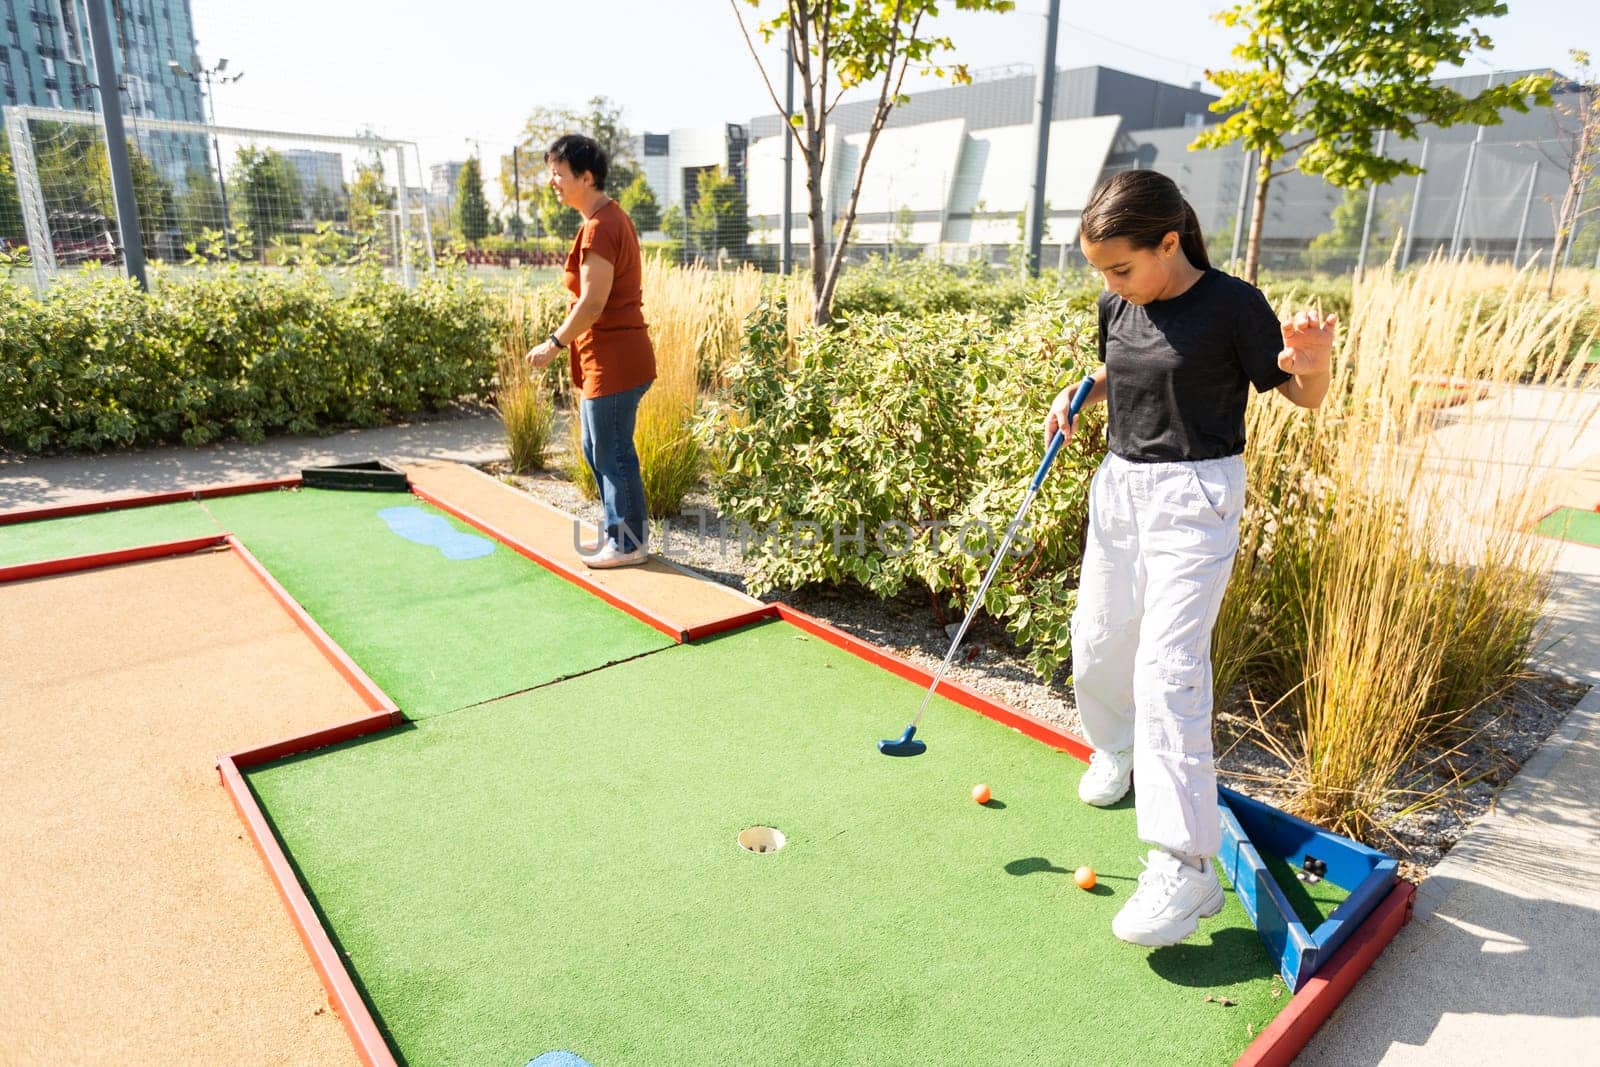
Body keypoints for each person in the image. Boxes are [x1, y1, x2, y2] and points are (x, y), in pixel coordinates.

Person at [1044, 170, 1336, 948]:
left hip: (1196, 497)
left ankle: (1185, 863)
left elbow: (1300, 395)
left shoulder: (1233, 305)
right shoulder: (1120, 301)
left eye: (1120, 267)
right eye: (1102, 271)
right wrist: (1080, 393)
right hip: (1121, 488)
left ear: (1169, 242)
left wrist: (1315, 359)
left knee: (1168, 669)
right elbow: (1123, 367)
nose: (1110, 283)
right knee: (1100, 638)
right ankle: (1116, 749)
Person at [526, 134, 656, 569]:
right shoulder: (602, 220)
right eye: (551, 174)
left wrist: (554, 342)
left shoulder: (601, 227)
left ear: (586, 177)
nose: (552, 182)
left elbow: (593, 303)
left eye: (559, 175)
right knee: (596, 447)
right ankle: (621, 533)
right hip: (606, 358)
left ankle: (628, 543)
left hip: (615, 360)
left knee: (612, 450)